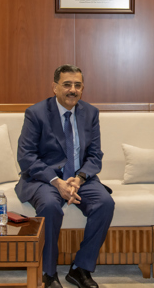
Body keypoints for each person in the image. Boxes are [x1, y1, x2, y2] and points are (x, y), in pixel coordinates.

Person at [15, 64, 115, 288]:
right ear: (55, 87)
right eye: (67, 84)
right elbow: (26, 156)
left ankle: (81, 268)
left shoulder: (90, 112)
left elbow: (95, 155)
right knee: (50, 206)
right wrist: (56, 182)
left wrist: (79, 178)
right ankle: (48, 273)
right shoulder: (36, 113)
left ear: (82, 88)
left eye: (77, 85)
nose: (73, 90)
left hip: (79, 178)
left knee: (105, 203)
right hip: (45, 178)